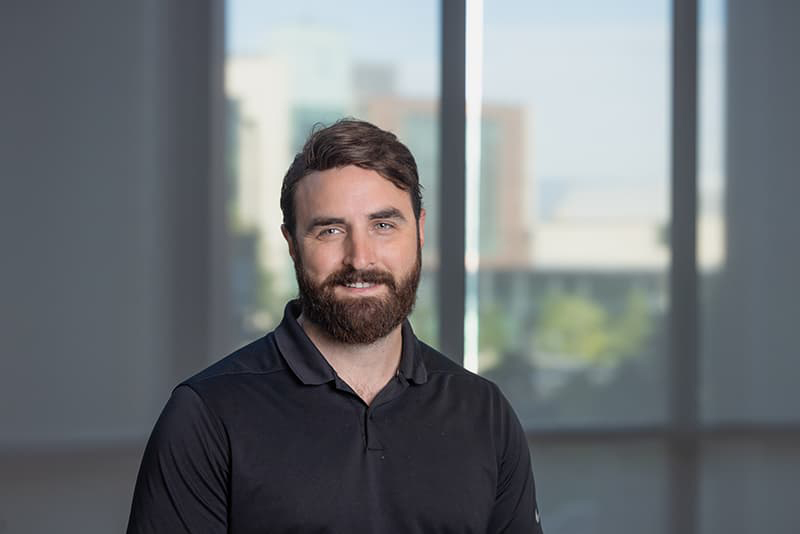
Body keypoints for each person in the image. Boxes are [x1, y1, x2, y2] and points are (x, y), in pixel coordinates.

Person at [127, 119, 544, 533]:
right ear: (292, 245)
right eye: (330, 230)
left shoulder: (484, 413)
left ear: (418, 231)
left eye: (383, 226)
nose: (360, 258)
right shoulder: (207, 416)